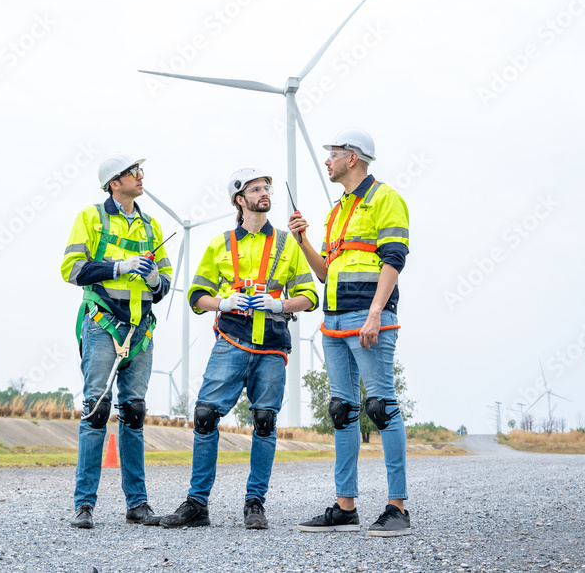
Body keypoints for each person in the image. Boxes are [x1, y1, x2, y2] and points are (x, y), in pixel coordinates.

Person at [159, 168, 319, 530]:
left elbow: (310, 297)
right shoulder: (219, 244)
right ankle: (197, 505)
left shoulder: (286, 244)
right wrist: (223, 303)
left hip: (272, 347)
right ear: (239, 199)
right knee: (203, 416)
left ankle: (255, 503)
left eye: (267, 188)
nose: (265, 193)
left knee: (264, 421)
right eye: (257, 189)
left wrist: (280, 305)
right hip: (231, 342)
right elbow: (197, 297)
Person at [288, 128, 412, 537]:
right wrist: (303, 241)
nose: (327, 161)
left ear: (352, 158)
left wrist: (376, 312)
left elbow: (394, 257)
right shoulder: (336, 210)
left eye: (333, 154)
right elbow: (325, 271)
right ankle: (345, 508)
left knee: (381, 408)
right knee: (342, 412)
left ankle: (397, 509)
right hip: (334, 320)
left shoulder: (385, 199)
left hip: (369, 318)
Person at [60, 153, 172, 529]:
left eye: (140, 171)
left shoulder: (152, 226)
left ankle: (137, 505)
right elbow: (71, 269)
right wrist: (119, 267)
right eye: (132, 173)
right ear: (114, 183)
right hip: (103, 325)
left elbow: (165, 286)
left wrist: (156, 280)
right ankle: (84, 506)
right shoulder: (91, 218)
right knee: (96, 410)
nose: (141, 176)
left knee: (135, 413)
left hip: (140, 331)